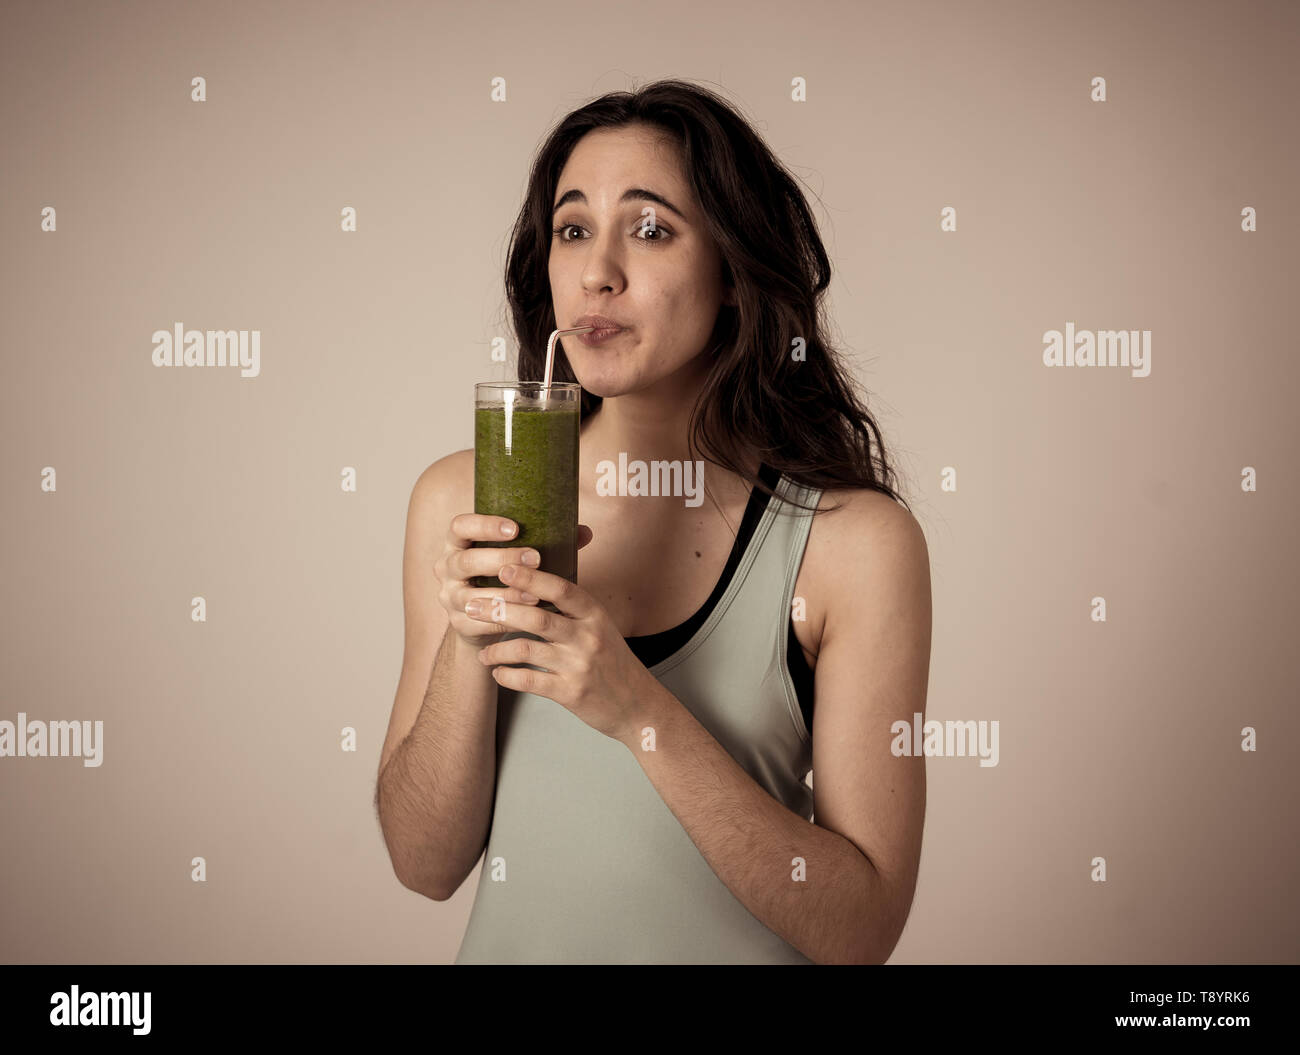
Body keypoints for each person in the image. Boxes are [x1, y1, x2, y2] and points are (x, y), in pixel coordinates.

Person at [375, 79, 931, 964]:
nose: (598, 269)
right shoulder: (461, 499)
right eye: (572, 229)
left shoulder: (849, 545)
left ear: (735, 278)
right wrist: (470, 633)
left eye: (650, 227)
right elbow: (422, 862)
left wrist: (637, 709)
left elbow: (862, 930)